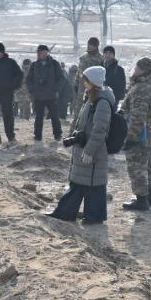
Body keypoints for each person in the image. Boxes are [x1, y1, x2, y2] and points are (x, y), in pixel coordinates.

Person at [46, 66, 116, 226]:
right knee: (79, 183)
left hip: (93, 151)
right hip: (84, 148)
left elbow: (100, 130)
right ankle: (67, 213)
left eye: (86, 80)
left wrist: (89, 150)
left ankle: (93, 217)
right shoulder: (92, 98)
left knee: (93, 184)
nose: (83, 82)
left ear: (93, 82)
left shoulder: (102, 102)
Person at [117, 56, 151, 211]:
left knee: (137, 166)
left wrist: (131, 137)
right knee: (149, 164)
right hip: (149, 133)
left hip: (140, 134)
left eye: (136, 68)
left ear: (142, 70)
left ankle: (141, 200)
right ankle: (150, 197)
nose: (133, 71)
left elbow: (138, 116)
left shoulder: (141, 88)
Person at [27, 45, 64, 142]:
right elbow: (29, 79)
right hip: (38, 96)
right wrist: (32, 90)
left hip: (51, 95)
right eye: (37, 52)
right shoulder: (34, 65)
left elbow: (61, 78)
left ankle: (58, 135)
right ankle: (37, 136)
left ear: (46, 53)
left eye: (40, 52)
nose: (38, 54)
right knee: (38, 117)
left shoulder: (54, 64)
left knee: (54, 116)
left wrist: (56, 90)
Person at [72, 37, 104, 117]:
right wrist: (76, 82)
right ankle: (75, 124)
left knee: (90, 110)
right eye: (89, 44)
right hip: (81, 88)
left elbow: (102, 75)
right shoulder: (83, 57)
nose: (90, 46)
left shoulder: (100, 59)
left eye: (92, 45)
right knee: (78, 110)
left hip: (93, 89)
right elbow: (79, 71)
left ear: (96, 46)